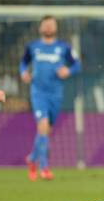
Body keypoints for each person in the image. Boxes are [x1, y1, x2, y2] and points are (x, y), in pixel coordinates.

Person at [20, 15, 81, 181]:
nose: (48, 27)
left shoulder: (64, 47)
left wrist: (68, 71)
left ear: (55, 28)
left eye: (51, 25)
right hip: (38, 92)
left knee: (46, 131)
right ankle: (44, 167)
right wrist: (23, 72)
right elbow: (23, 63)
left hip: (56, 94)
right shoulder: (33, 47)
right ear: (40, 28)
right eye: (45, 24)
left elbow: (77, 64)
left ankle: (32, 159)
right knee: (43, 125)